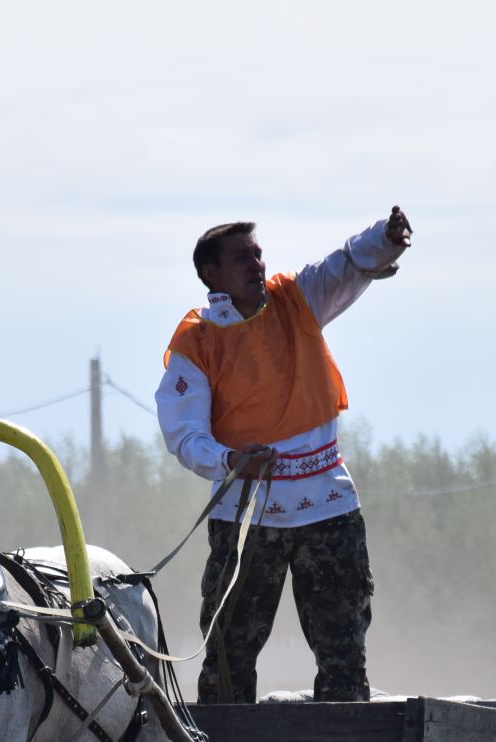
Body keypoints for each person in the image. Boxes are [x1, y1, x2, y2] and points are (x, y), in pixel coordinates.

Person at [156, 206, 412, 704]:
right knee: (229, 652)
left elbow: (347, 263)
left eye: (258, 254)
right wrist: (229, 460)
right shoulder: (197, 341)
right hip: (246, 514)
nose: (256, 265)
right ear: (212, 274)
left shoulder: (296, 298)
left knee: (343, 651)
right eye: (241, 258)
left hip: (328, 505)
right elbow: (183, 434)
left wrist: (385, 237)